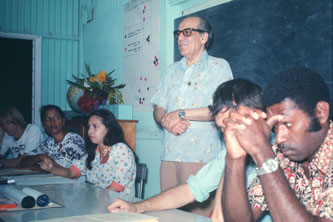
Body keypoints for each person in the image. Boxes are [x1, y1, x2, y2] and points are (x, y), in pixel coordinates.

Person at [108, 78, 272, 222]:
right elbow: (191, 189)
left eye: (232, 127)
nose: (229, 135)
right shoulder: (230, 150)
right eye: (223, 130)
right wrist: (137, 207)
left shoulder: (279, 155)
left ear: (256, 113)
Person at [222, 67, 333, 221]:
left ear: (320, 112)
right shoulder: (281, 156)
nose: (279, 138)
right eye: (275, 127)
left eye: (287, 124)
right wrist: (234, 158)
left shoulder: (270, 156)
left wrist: (262, 152)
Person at [151, 16, 233, 216]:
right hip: (169, 156)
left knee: (199, 217)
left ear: (204, 37)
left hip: (201, 156)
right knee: (169, 214)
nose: (180, 38)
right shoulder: (171, 70)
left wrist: (180, 113)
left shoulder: (219, 67)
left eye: (187, 32)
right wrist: (166, 121)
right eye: (178, 33)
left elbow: (223, 109)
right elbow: (158, 108)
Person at [40, 109, 136, 196]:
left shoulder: (121, 150)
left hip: (119, 207)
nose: (89, 131)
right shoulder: (94, 152)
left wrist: (91, 204)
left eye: (95, 127)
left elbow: (115, 188)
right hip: (99, 204)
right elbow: (70, 173)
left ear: (108, 128)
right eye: (89, 127)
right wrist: (51, 168)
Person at [20, 105, 85, 169]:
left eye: (56, 117)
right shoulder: (48, 143)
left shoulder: (74, 140)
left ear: (63, 121)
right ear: (43, 124)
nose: (52, 121)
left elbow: (61, 169)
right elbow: (23, 162)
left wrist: (35, 166)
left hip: (75, 179)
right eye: (48, 119)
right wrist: (41, 157)